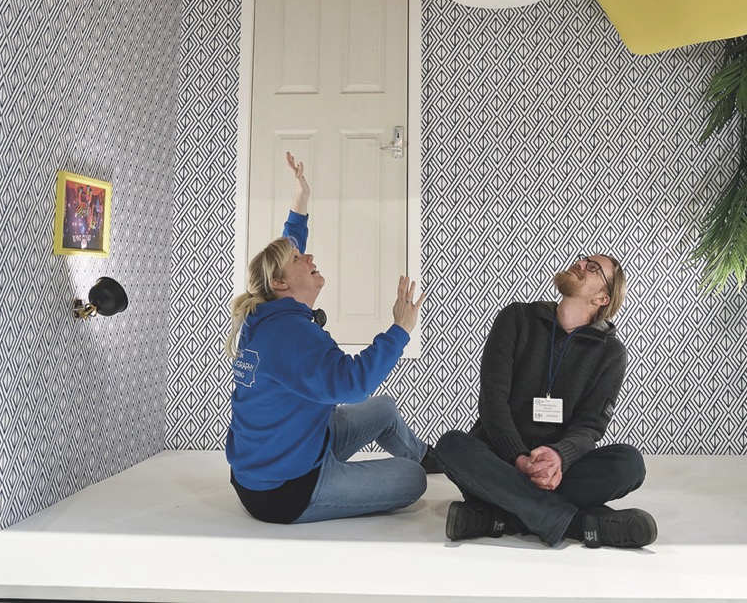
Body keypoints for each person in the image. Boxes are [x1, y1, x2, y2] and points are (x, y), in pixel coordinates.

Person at [224, 153, 437, 524]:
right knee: (412, 480)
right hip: (285, 488)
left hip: (291, 449)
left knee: (385, 411)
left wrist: (301, 202)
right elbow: (352, 383)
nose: (309, 256)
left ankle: (436, 459)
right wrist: (400, 329)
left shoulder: (267, 315)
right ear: (281, 284)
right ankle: (419, 468)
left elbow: (288, 247)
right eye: (298, 259)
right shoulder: (291, 334)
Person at [434, 254, 657, 548]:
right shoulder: (515, 319)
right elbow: (492, 402)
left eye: (593, 269)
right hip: (500, 462)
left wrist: (558, 457)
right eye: (583, 260)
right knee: (451, 446)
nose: (580, 265)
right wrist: (518, 457)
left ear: (603, 298)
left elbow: (590, 427)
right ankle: (577, 524)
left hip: (558, 473)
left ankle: (497, 518)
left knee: (629, 464)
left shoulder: (610, 352)